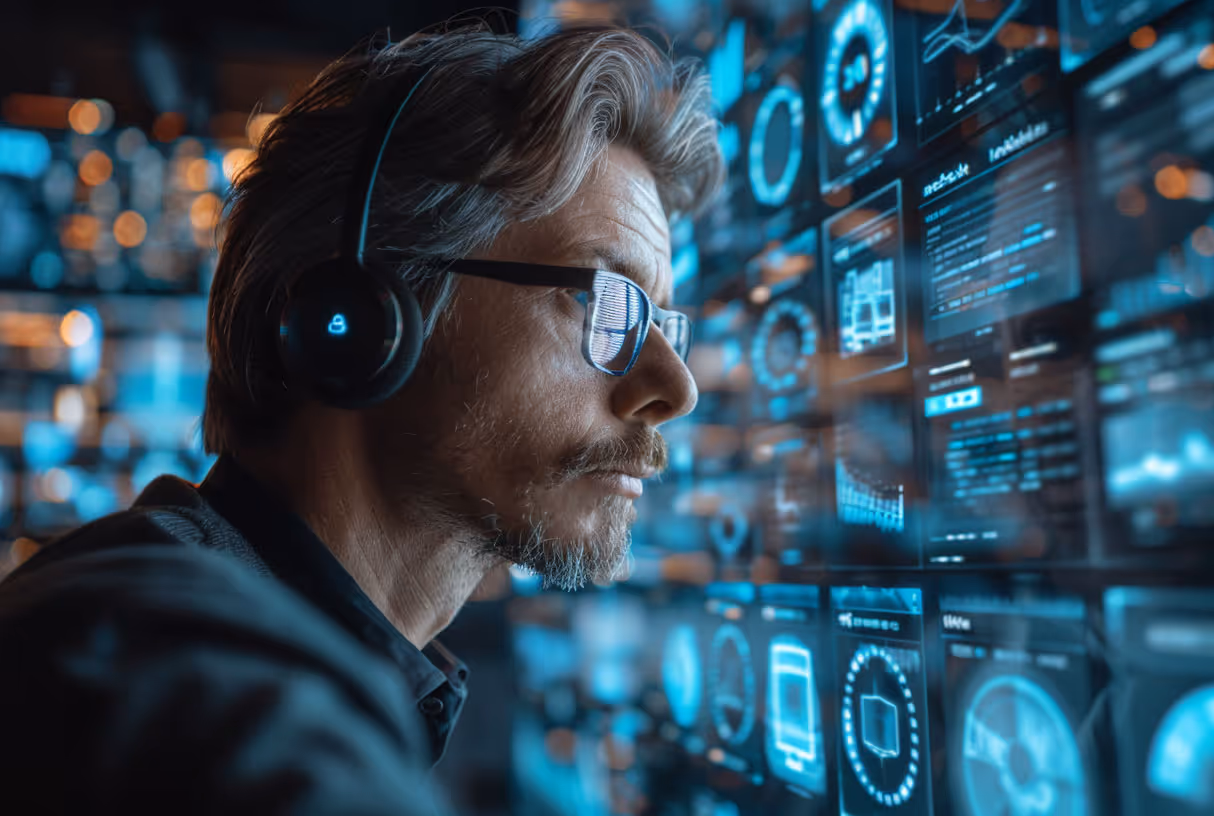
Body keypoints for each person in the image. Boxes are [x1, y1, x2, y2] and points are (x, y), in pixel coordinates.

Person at [0, 22, 721, 814]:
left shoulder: (243, 642)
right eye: (608, 304)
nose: (675, 386)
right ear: (363, 317)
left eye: (663, 323)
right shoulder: (184, 687)